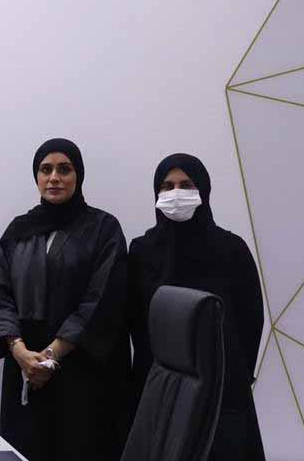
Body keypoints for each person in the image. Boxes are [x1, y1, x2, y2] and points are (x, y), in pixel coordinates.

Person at [0, 138, 130, 461]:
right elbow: (2, 296)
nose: (54, 178)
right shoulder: (19, 231)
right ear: (36, 176)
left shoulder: (103, 229)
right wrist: (19, 351)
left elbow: (101, 301)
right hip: (25, 369)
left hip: (80, 372)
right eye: (46, 169)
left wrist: (52, 355)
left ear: (79, 176)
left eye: (64, 169)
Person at [128, 153, 265, 460]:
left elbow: (251, 316)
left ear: (203, 189)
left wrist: (240, 373)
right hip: (160, 384)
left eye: (186, 185)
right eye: (167, 186)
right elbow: (134, 320)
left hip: (222, 382)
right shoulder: (141, 250)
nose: (176, 193)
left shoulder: (231, 248)